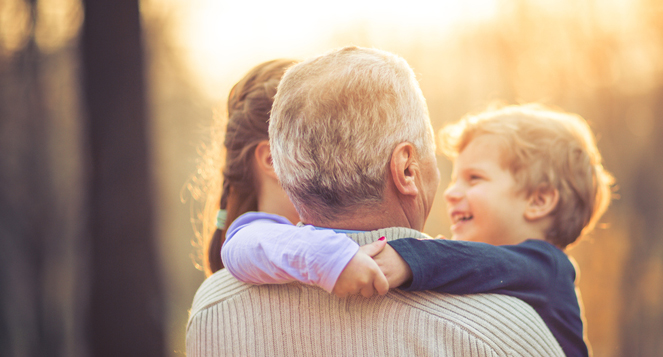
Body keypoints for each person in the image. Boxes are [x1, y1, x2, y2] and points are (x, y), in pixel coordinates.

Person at [186, 47, 564, 356]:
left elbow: (243, 240)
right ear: (407, 169)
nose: (451, 188)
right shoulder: (504, 330)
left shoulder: (212, 310)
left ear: (288, 168)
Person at [222, 105, 614, 357]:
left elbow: (481, 263)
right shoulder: (493, 272)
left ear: (539, 201)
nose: (452, 193)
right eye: (454, 178)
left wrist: (407, 256)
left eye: (475, 179)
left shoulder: (548, 268)